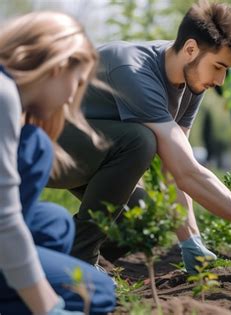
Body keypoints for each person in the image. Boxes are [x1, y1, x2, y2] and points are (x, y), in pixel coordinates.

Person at [47, 0, 231, 274]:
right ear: (191, 49)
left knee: (142, 218)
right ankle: (81, 260)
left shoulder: (192, 85)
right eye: (218, 67)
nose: (220, 81)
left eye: (226, 70)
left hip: (90, 150)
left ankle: (49, 254)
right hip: (43, 149)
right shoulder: (134, 71)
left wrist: (190, 240)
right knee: (140, 141)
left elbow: (177, 164)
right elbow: (187, 171)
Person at [0, 11, 116, 315]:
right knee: (97, 292)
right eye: (77, 84)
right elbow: (4, 221)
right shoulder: (3, 96)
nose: (70, 100)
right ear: (58, 65)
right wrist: (48, 306)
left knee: (55, 223)